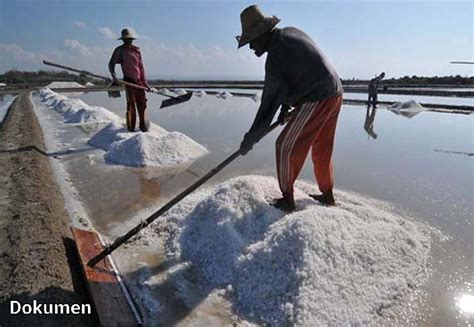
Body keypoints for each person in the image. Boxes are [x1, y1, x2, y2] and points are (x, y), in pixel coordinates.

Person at [237, 5, 343, 211]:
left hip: (317, 97)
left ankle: (287, 199)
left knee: (284, 146)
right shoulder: (288, 34)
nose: (251, 48)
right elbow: (295, 76)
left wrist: (250, 139)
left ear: (262, 34)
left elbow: (267, 107)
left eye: (252, 41)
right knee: (322, 146)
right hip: (335, 91)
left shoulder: (277, 55)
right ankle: (327, 194)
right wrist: (285, 107)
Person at [109, 28, 150, 132]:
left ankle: (143, 126)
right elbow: (111, 64)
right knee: (131, 104)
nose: (128, 42)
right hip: (129, 80)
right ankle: (131, 127)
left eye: (130, 40)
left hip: (139, 81)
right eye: (126, 40)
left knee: (142, 104)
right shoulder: (120, 50)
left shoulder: (136, 51)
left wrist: (145, 83)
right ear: (123, 40)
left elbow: (141, 67)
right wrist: (114, 77)